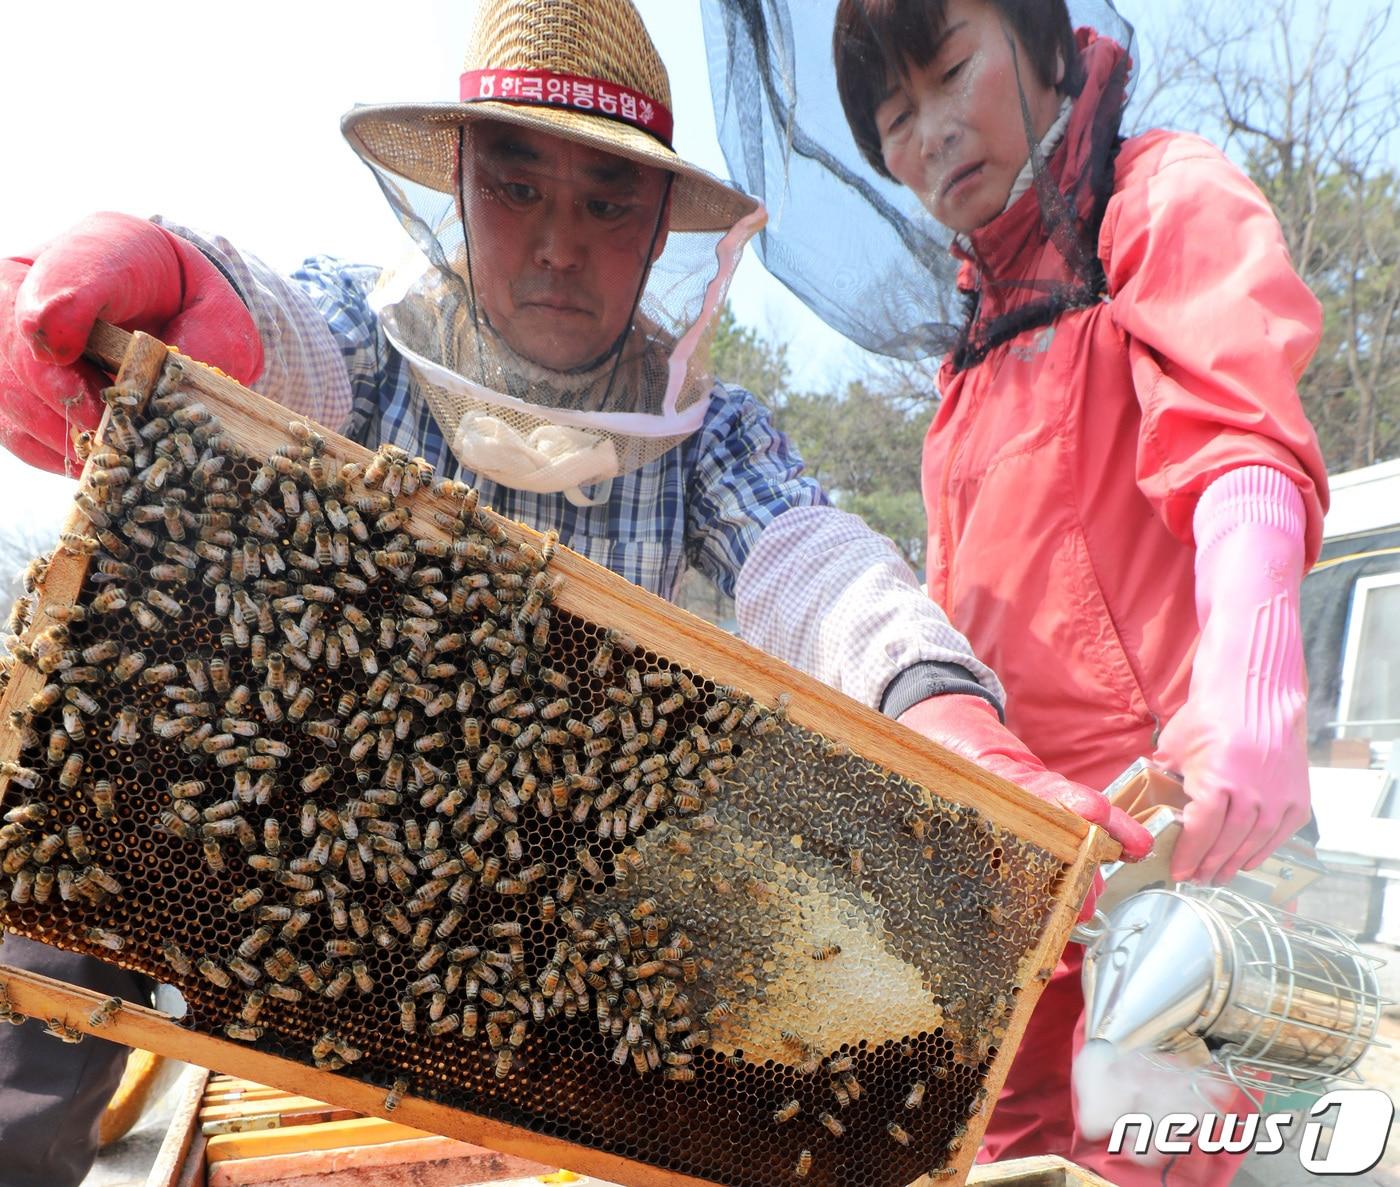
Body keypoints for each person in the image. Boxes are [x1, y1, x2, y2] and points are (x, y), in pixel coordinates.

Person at [0, 1, 1149, 1182]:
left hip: (538, 952)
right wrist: (192, 294)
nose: (558, 242)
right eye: (517, 187)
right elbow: (282, 336)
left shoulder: (705, 430)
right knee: (79, 832)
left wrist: (939, 708)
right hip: (308, 883)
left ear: (659, 233)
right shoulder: (363, 332)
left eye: (606, 204)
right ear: (457, 187)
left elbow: (808, 554)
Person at [707, 0, 1327, 1182]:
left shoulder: (1154, 199)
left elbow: (1237, 434)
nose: (928, 134)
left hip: (1180, 862)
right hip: (1021, 892)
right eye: (892, 119)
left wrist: (1254, 668)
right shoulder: (966, 359)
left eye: (947, 74)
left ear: (1043, 45)